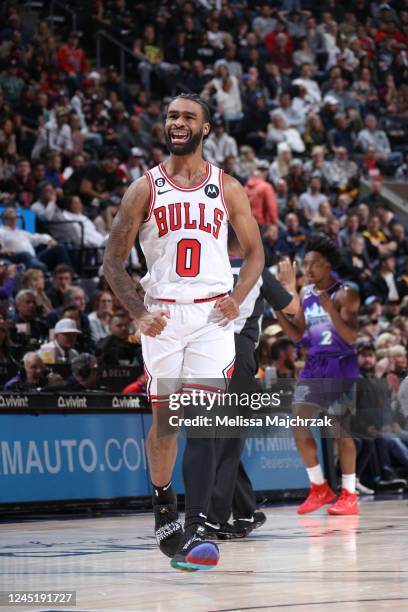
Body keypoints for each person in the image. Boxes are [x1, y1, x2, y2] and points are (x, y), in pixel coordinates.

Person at [103, 93, 264, 572]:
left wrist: (239, 295)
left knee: (204, 420)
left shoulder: (228, 187)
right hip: (164, 317)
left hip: (213, 317)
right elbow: (113, 260)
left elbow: (255, 252)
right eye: (172, 115)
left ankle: (196, 528)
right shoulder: (144, 188)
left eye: (188, 116)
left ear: (206, 128)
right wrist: (136, 310)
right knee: (168, 425)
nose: (177, 122)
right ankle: (162, 503)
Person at [204, 228, 299, 539]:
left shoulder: (207, 267)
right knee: (229, 442)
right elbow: (292, 310)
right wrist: (290, 287)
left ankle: (244, 511)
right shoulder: (254, 269)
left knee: (218, 440)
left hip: (201, 355)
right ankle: (214, 518)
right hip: (237, 353)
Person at [276, 234, 360, 515]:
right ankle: (319, 488)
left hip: (340, 364)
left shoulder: (346, 293)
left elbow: (350, 338)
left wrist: (331, 312)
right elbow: (300, 336)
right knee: (298, 425)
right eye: (305, 264)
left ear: (327, 265)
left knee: (340, 431)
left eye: (313, 265)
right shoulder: (306, 293)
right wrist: (279, 313)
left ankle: (349, 493)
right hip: (314, 366)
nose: (307, 270)